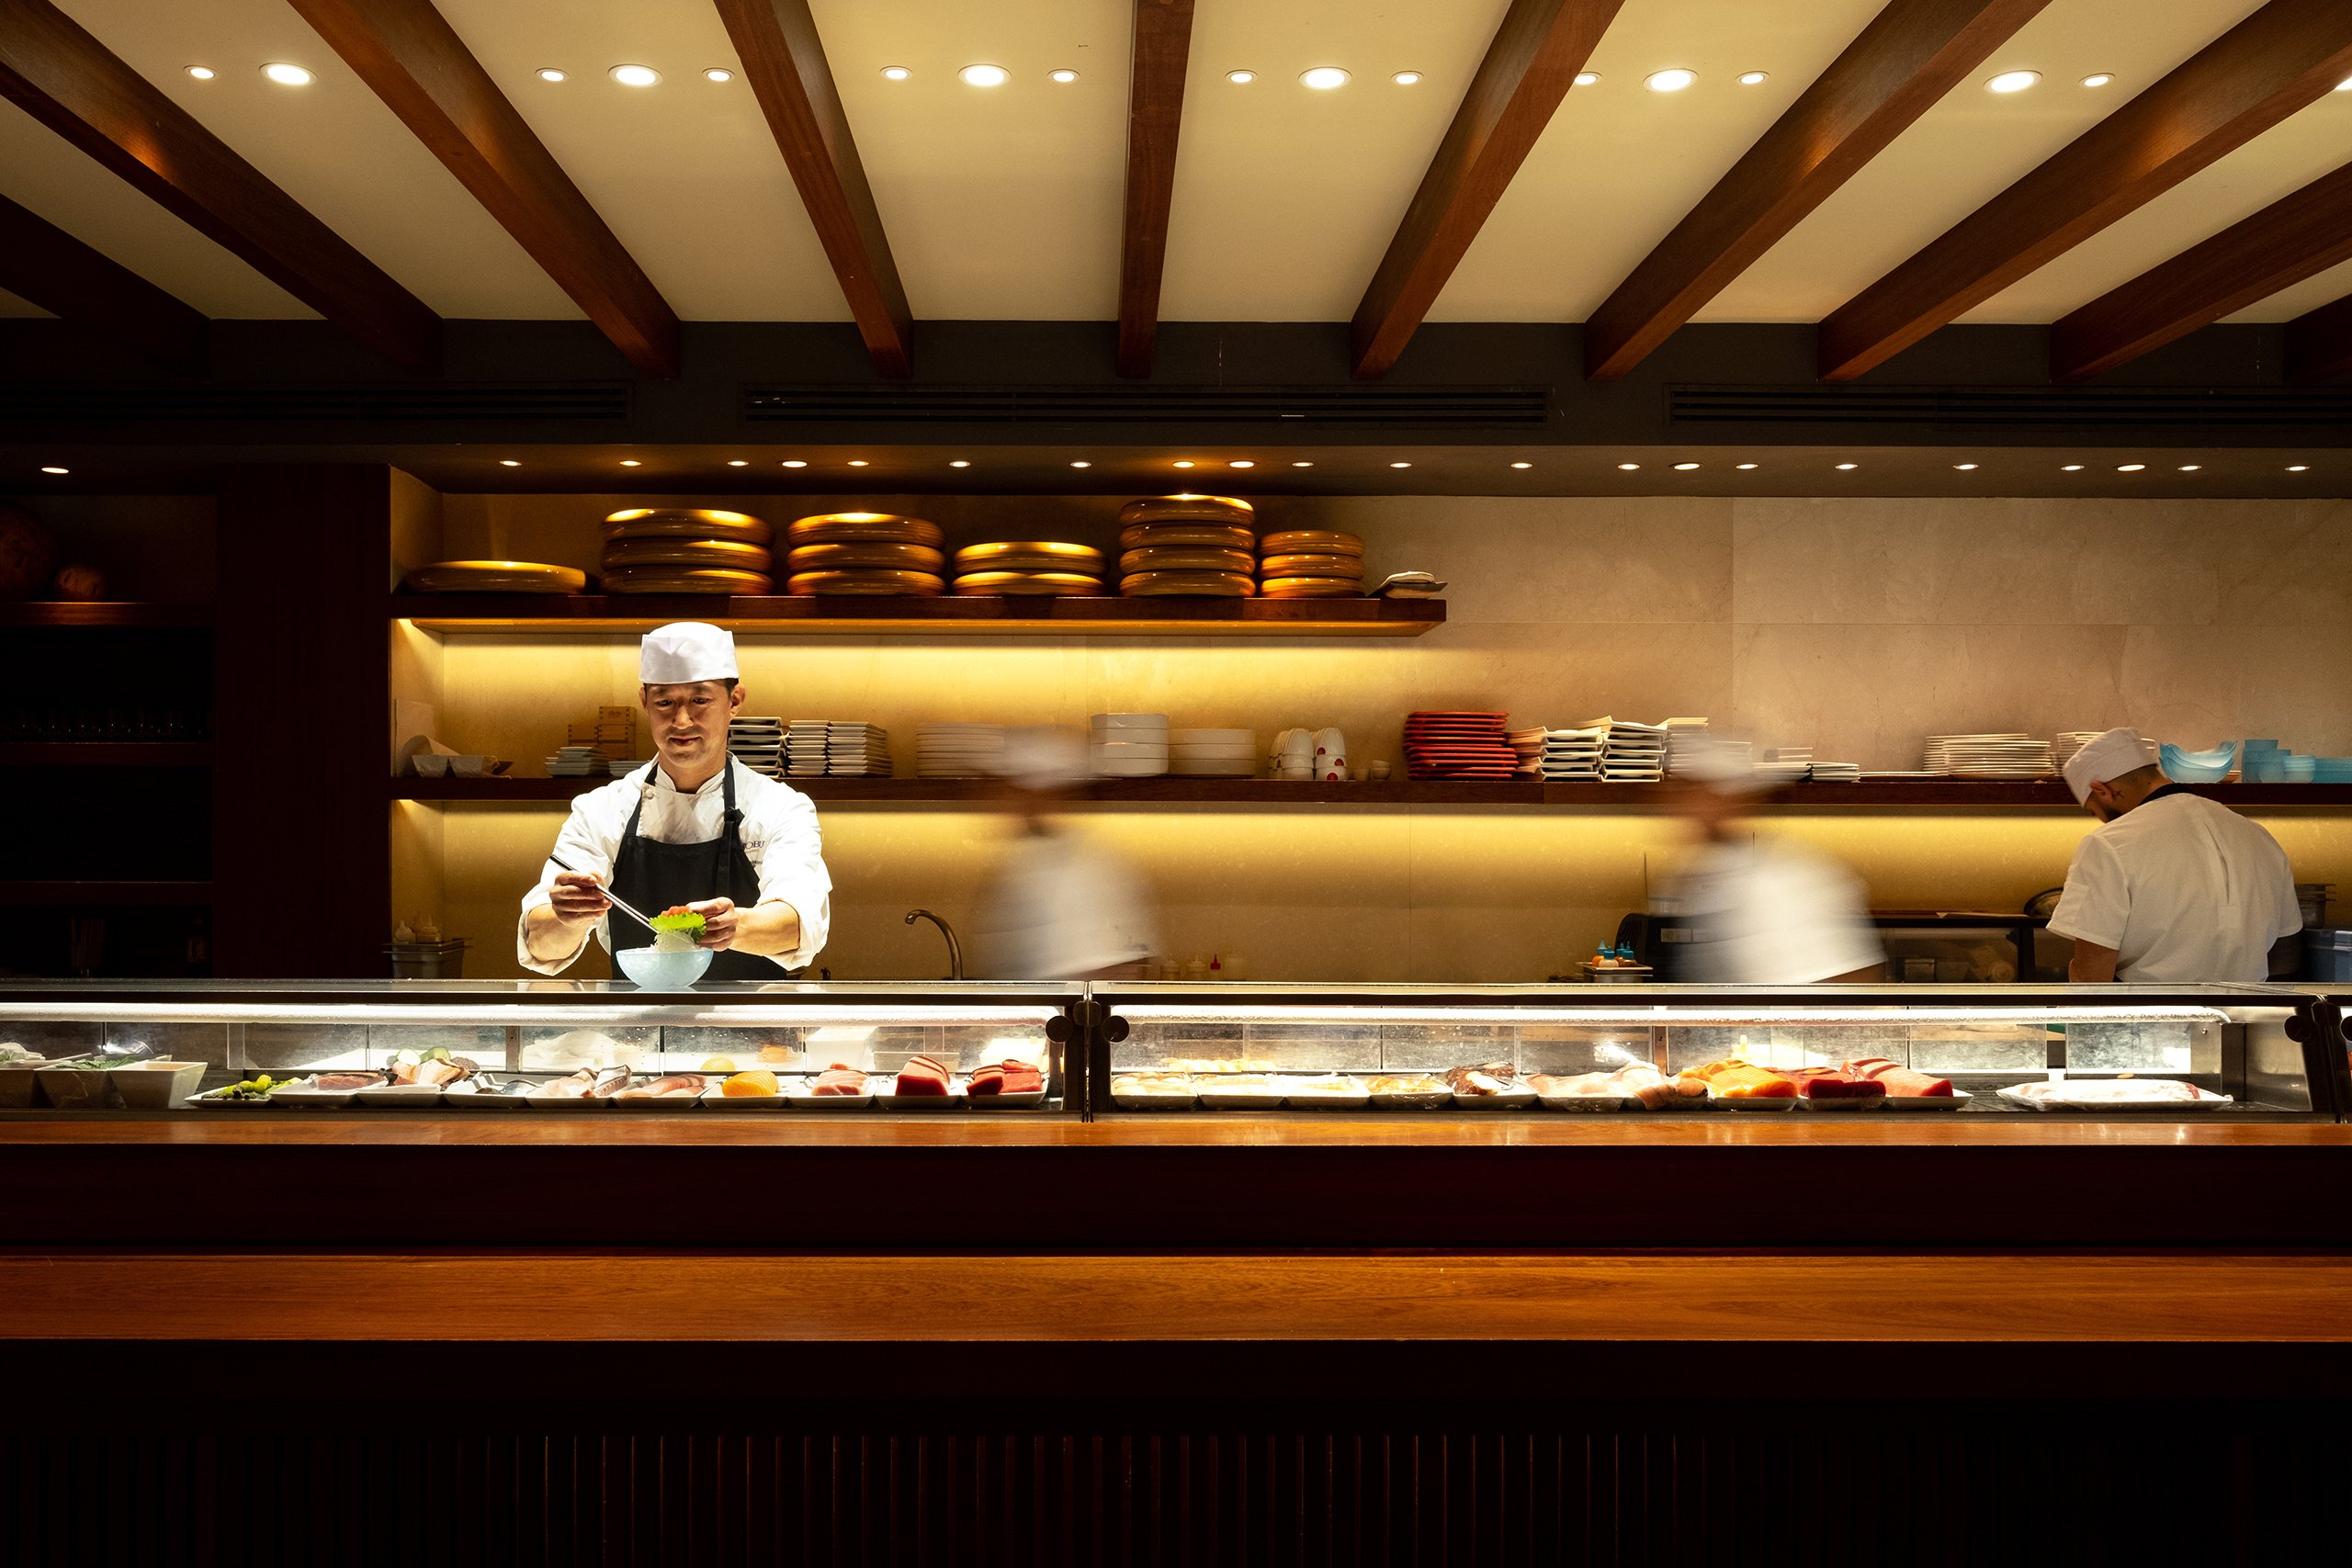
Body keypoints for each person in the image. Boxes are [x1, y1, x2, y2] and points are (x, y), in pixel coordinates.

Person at [519, 622, 831, 978]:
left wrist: (735, 927)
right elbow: (540, 945)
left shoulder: (780, 806)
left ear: (734, 700)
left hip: (757, 1026)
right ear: (644, 702)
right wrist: (566, 916)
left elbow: (798, 924)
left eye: (700, 700)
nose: (682, 721)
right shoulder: (601, 809)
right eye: (665, 702)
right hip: (635, 1027)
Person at [2048, 728, 2300, 983]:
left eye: (2095, 811)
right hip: (2244, 1019)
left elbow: (2092, 978)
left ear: (2103, 790)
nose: (2100, 821)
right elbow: (2283, 947)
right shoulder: (2259, 836)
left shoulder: (2107, 844)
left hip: (2151, 1019)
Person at [1664, 740, 1883, 984]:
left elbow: (1851, 980)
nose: (1682, 807)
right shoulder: (1704, 872)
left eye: (1698, 795)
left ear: (1732, 803)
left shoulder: (1787, 881)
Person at [971, 728, 1158, 980]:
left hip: (1058, 1017)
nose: (994, 798)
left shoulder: (1083, 869)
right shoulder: (1025, 859)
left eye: (1007, 788)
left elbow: (1108, 975)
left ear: (1038, 795)